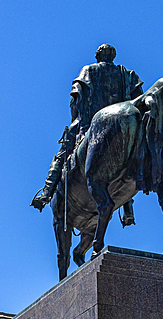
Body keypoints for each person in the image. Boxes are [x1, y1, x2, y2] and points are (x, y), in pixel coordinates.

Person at [31, 44, 143, 217]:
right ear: (113, 56)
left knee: (62, 154)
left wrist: (77, 120)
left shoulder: (89, 70)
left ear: (98, 56)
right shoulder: (127, 75)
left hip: (91, 123)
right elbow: (139, 100)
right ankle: (128, 207)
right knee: (127, 157)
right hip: (125, 125)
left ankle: (46, 194)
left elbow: (75, 98)